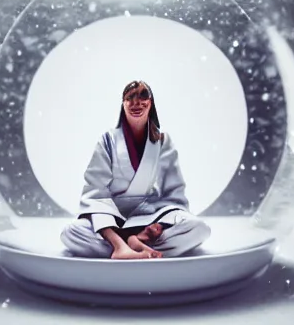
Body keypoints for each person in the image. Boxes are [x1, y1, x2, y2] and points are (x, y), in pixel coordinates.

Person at [59, 80, 212, 260]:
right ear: (122, 104)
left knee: (198, 228)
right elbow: (95, 194)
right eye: (130, 98)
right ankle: (128, 245)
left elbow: (174, 193)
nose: (136, 103)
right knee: (71, 232)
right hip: (113, 216)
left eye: (142, 96)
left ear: (151, 103)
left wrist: (160, 226)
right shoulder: (107, 141)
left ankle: (129, 245)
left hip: (149, 216)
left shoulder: (163, 141)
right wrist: (111, 230)